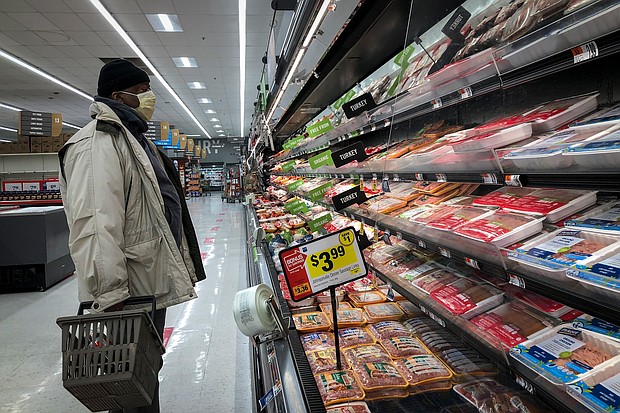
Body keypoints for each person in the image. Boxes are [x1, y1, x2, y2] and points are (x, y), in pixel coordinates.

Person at [59, 59, 206, 413]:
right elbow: (95, 225)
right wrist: (111, 293)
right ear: (116, 95)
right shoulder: (97, 144)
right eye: (141, 92)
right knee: (128, 377)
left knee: (143, 371)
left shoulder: (131, 138)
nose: (149, 98)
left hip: (145, 279)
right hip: (128, 288)